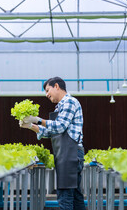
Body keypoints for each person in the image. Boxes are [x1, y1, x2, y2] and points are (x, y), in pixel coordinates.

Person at [19, 76, 85, 210]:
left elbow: (60, 126)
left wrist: (38, 120)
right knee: (75, 197)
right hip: (67, 154)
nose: (46, 94)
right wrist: (30, 125)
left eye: (48, 90)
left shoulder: (69, 102)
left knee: (65, 196)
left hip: (71, 154)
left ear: (56, 86)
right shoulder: (59, 108)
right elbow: (51, 132)